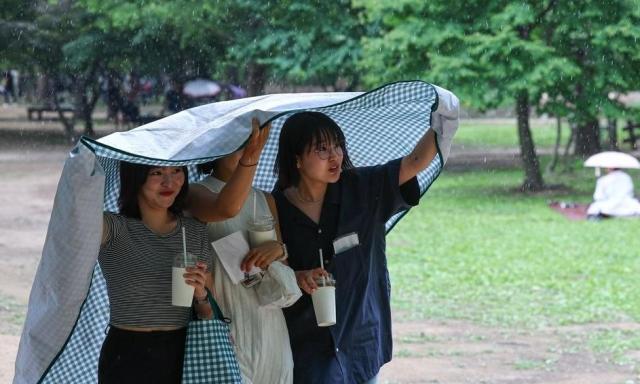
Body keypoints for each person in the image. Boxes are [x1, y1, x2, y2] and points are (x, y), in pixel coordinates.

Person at [272, 111, 441, 383]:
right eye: (322, 149)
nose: (335, 155)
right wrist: (299, 276)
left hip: (360, 341)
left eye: (338, 145)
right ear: (297, 159)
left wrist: (442, 123)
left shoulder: (363, 188)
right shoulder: (273, 209)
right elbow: (268, 273)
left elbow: (414, 162)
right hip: (305, 347)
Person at [98, 121, 269, 384]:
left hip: (183, 352)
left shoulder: (194, 230)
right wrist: (86, 164)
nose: (169, 181)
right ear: (135, 177)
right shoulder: (111, 227)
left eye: (177, 170)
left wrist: (201, 294)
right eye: (157, 173)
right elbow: (75, 220)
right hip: (126, 353)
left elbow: (207, 310)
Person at [188, 120, 302, 382]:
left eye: (250, 144)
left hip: (271, 321)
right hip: (229, 319)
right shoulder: (195, 193)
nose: (246, 151)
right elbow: (225, 208)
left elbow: (281, 263)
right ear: (216, 149)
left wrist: (278, 249)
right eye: (238, 145)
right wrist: (249, 160)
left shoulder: (266, 199)